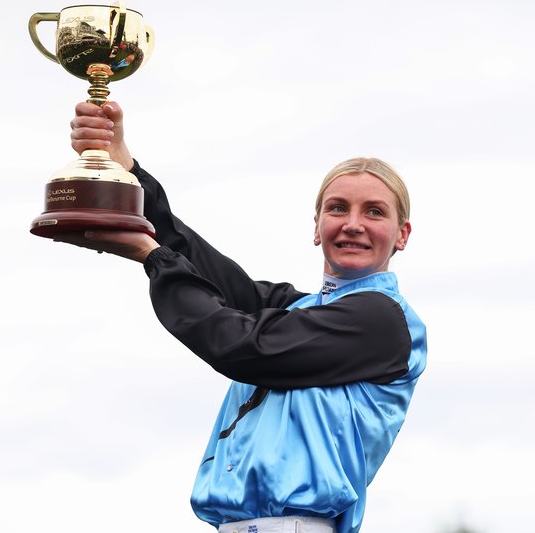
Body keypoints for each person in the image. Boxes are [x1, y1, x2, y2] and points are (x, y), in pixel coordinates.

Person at [58, 101, 428, 533]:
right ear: (316, 226)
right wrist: (128, 171)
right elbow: (206, 267)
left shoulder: (382, 321)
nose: (352, 224)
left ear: (402, 234)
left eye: (374, 212)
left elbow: (240, 345)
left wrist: (151, 256)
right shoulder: (300, 311)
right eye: (337, 208)